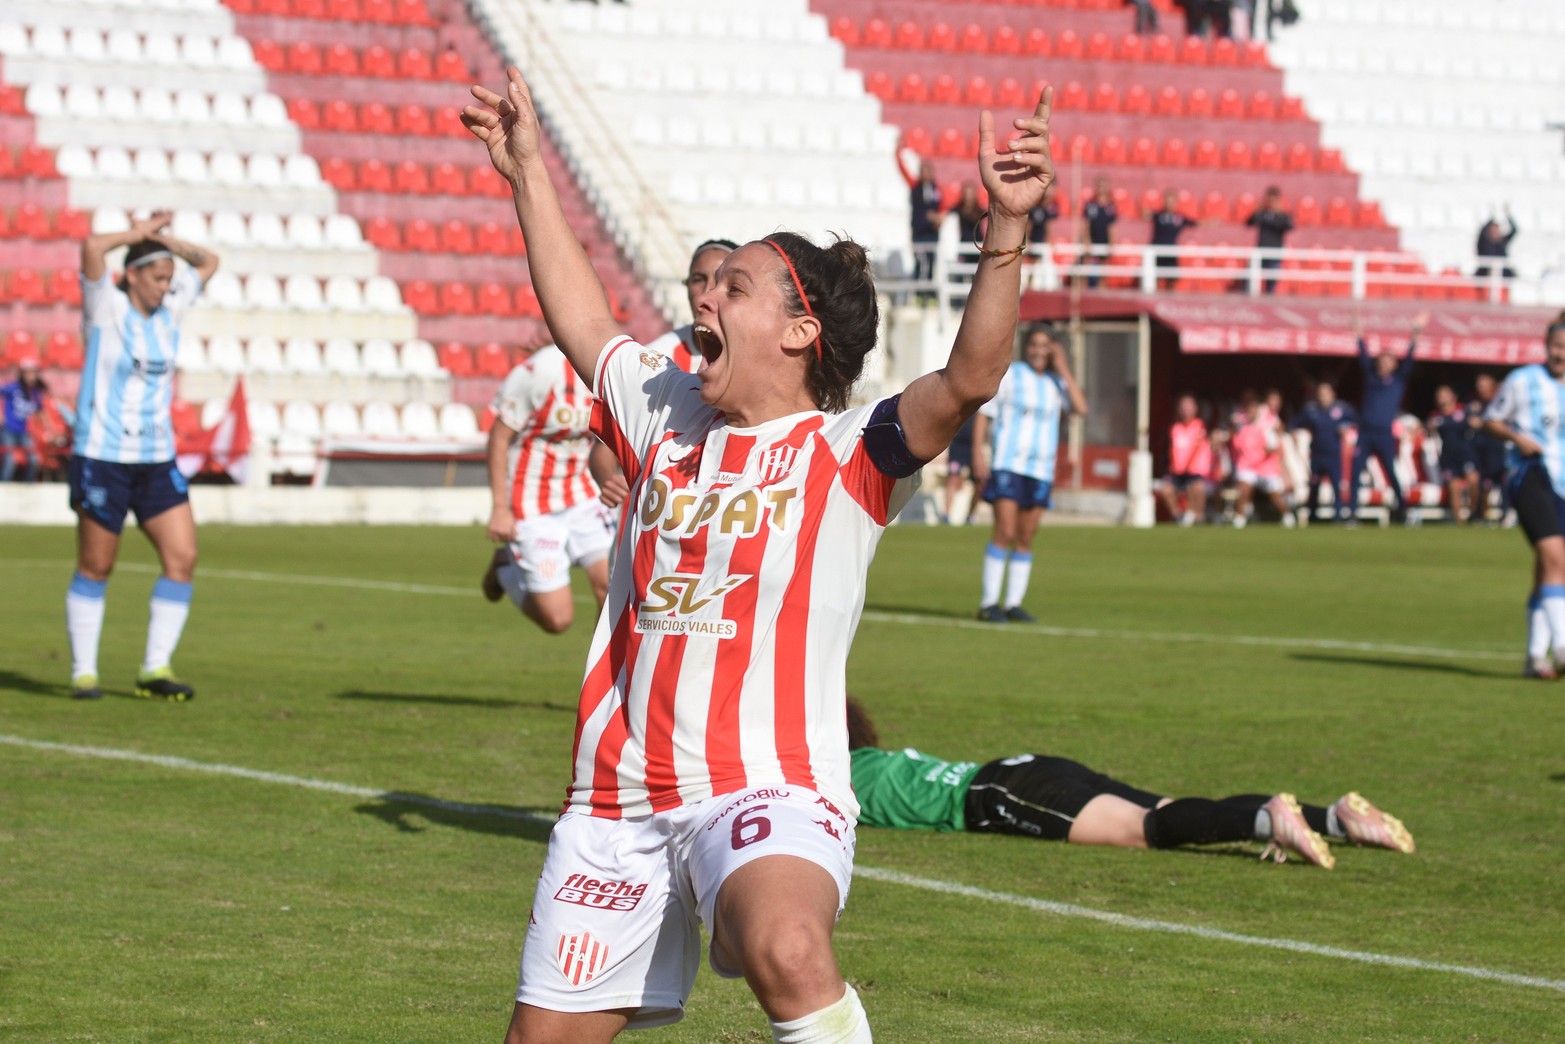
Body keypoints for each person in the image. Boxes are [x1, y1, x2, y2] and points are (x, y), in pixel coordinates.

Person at [462, 66, 1057, 1042]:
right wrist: (526, 167)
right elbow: (581, 320)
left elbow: (968, 377)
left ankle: (739, 906)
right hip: (615, 799)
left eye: (731, 285)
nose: (703, 294)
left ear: (797, 329)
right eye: (706, 281)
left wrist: (1005, 230)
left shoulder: (849, 452)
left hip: (767, 784)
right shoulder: (662, 413)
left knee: (784, 951)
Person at [845, 699, 1414, 869]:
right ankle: (1336, 819)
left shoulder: (833, 777)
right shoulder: (872, 758)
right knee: (1173, 808)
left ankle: (1266, 818)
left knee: (1145, 830)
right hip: (1024, 768)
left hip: (999, 796)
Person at [67, 211, 220, 701]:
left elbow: (211, 261)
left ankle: (155, 668)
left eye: (168, 279)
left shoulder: (171, 308)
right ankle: (83, 671)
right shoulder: (104, 306)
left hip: (157, 457)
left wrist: (165, 243)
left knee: (183, 557)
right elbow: (91, 247)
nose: (164, 288)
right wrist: (137, 237)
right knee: (97, 565)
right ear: (131, 274)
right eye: (156, 278)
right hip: (102, 456)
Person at [479, 345, 618, 633]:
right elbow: (499, 437)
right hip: (531, 502)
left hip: (583, 493)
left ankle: (602, 677)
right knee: (557, 620)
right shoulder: (541, 371)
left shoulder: (613, 371)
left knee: (613, 587)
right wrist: (500, 508)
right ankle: (504, 568)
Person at [973, 325, 1087, 621]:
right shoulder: (1011, 375)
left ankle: (1012, 603)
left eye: (1045, 345)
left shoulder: (1055, 382)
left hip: (1040, 469)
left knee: (1026, 535)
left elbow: (1080, 407)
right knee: (1005, 531)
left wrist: (1063, 367)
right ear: (1027, 347)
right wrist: (978, 454)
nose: (1039, 351)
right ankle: (988, 604)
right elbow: (985, 414)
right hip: (1009, 464)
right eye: (1034, 344)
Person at [1481, 313, 1565, 678]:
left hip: (1562, 482)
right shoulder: (1523, 380)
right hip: (1530, 473)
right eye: (1557, 346)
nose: (1561, 354)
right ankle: (1562, 646)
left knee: (1550, 567)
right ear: (1546, 346)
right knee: (1553, 555)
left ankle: (1534, 658)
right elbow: (1490, 420)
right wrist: (1516, 438)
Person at [1347, 311, 1427, 525]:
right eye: (1381, 359)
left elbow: (1410, 358)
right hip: (1365, 432)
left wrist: (1416, 332)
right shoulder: (1371, 378)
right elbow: (1362, 353)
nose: (1383, 363)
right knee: (1355, 472)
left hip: (1383, 433)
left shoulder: (1398, 380)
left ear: (1393, 364)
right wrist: (1357, 329)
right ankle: (1351, 514)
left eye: (1388, 360)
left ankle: (1402, 510)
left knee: (1391, 472)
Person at [647, 239, 739, 373]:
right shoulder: (656, 362)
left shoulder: (765, 359)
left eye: (720, 279)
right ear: (687, 285)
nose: (707, 291)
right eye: (698, 279)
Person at [1291, 380, 1356, 523]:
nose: (1323, 397)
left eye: (1326, 394)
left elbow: (1355, 421)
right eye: (1320, 394)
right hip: (1317, 454)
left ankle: (1338, 517)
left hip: (1333, 454)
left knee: (1336, 486)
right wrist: (1294, 432)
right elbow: (1294, 423)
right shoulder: (1311, 410)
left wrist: (1346, 427)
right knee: (1314, 486)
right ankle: (1312, 516)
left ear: (1333, 395)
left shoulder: (1341, 409)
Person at [1229, 390, 1293, 527]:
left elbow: (1275, 444)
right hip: (1247, 465)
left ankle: (1288, 515)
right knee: (1244, 490)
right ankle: (1240, 518)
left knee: (1274, 495)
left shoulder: (1269, 424)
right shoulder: (1241, 424)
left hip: (1266, 466)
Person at [1157, 393, 1211, 525]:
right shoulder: (1175, 428)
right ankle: (1178, 516)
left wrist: (1188, 466)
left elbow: (1197, 448)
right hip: (1177, 473)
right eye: (1183, 407)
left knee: (1196, 488)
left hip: (1194, 472)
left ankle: (1196, 517)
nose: (1186, 411)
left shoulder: (1200, 426)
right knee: (1166, 489)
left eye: (1189, 407)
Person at [1428, 384, 1478, 524]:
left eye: (1444, 394)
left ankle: (1474, 514)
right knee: (1454, 487)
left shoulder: (1463, 411)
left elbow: (1476, 423)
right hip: (1448, 456)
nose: (1441, 398)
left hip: (1465, 453)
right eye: (1439, 395)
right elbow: (1429, 432)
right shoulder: (1436, 417)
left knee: (1473, 480)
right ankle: (1460, 522)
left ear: (1453, 396)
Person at [1469, 372, 1507, 523]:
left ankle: (1506, 513)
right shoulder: (1475, 403)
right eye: (1479, 384)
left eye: (1484, 383)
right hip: (1480, 448)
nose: (1481, 386)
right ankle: (1479, 514)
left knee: (1502, 480)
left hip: (1497, 447)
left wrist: (1483, 423)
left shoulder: (1500, 401)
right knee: (1482, 482)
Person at [1, 357, 46, 482]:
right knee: (10, 461)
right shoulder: (13, 387)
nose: (31, 376)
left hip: (24, 431)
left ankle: (28, 487)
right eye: (28, 373)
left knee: (34, 460)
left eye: (34, 373)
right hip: (8, 430)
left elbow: (40, 411)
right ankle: (4, 487)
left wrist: (48, 428)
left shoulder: (35, 393)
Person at [1245, 187, 1292, 294]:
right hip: (1261, 248)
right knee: (1252, 276)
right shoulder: (1262, 213)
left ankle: (1269, 296)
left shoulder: (1282, 215)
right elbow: (1249, 222)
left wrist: (1280, 212)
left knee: (1272, 279)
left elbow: (1289, 226)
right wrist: (1259, 208)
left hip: (1275, 250)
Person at [905, 157, 943, 288]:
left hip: (932, 233)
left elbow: (940, 208)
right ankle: (918, 292)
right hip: (919, 232)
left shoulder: (937, 189)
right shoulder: (916, 190)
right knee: (920, 263)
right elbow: (918, 211)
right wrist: (928, 217)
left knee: (931, 263)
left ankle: (929, 294)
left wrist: (938, 219)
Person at [1149, 190, 1196, 292]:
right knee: (1155, 277)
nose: (1170, 203)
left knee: (1172, 278)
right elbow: (1146, 214)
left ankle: (1168, 299)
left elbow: (1195, 223)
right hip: (1157, 250)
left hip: (1171, 251)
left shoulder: (1179, 218)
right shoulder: (1158, 216)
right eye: (1167, 201)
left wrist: (1215, 221)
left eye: (1172, 201)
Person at [940, 414, 978, 525]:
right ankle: (946, 515)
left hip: (974, 447)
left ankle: (970, 516)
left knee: (980, 482)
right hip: (958, 446)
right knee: (953, 476)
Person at [1081, 175, 1116, 289]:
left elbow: (1111, 226)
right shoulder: (1091, 205)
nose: (1102, 188)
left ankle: (1102, 288)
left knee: (1103, 266)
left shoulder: (1110, 206)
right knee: (1086, 263)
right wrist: (1087, 240)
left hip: (1104, 239)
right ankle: (1084, 288)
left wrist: (1112, 241)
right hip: (1092, 238)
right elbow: (1086, 223)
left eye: (1104, 185)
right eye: (1099, 185)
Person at [1475, 211, 1517, 282]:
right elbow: (1482, 232)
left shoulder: (1503, 242)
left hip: (1503, 275)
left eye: (1497, 229)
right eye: (1493, 230)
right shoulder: (1484, 243)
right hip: (1486, 275)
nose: (1495, 232)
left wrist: (1508, 215)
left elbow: (1514, 230)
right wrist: (1491, 218)